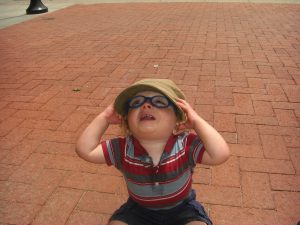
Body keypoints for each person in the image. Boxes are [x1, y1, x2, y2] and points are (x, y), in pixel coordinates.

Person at [76, 79, 230, 225]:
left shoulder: (185, 145)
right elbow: (85, 150)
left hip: (183, 209)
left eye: (159, 102)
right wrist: (104, 118)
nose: (146, 106)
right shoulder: (122, 148)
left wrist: (196, 121)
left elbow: (220, 154)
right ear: (127, 121)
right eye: (136, 103)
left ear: (177, 119)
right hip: (139, 211)